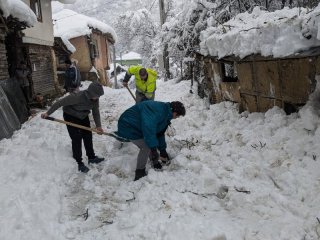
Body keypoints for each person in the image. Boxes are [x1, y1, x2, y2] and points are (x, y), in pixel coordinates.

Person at [41, 82, 105, 173]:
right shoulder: (77, 97)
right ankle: (78, 162)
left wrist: (98, 126)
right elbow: (59, 103)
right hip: (70, 116)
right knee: (76, 138)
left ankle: (91, 157)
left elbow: (95, 112)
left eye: (99, 96)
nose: (98, 98)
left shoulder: (95, 100)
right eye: (97, 95)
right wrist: (47, 113)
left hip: (83, 115)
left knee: (87, 135)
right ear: (91, 93)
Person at [116, 100, 186, 181]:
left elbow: (159, 133)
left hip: (138, 126)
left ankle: (155, 162)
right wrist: (153, 149)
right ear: (175, 112)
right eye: (177, 116)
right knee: (146, 146)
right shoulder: (157, 111)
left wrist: (162, 150)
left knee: (150, 143)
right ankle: (140, 172)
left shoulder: (166, 114)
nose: (176, 118)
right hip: (128, 125)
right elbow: (149, 129)